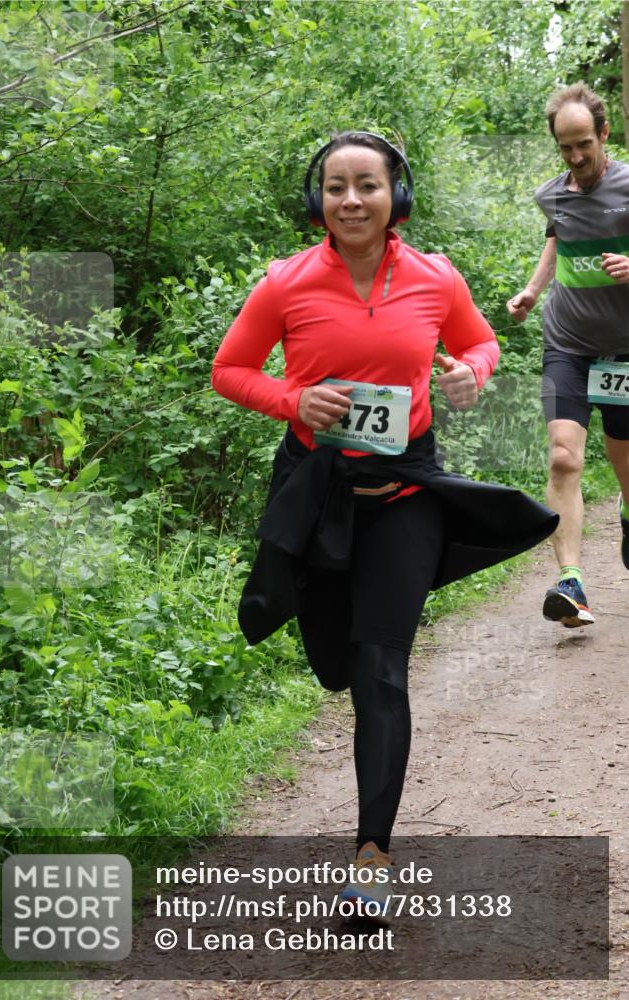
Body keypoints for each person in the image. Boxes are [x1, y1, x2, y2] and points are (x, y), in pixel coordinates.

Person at [212, 131, 557, 922]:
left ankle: (370, 863)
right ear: (318, 200)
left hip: (406, 496)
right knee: (335, 665)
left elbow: (477, 341)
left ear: (394, 195)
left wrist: (472, 373)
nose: (351, 201)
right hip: (318, 496)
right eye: (335, 186)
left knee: (379, 672)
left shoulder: (435, 277)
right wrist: (293, 400)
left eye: (366, 185)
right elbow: (229, 370)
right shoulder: (285, 283)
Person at [507, 82, 629, 628]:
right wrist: (533, 291)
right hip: (568, 343)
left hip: (625, 351)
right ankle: (571, 582)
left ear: (604, 133)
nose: (576, 157)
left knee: (625, 461)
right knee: (563, 456)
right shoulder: (552, 195)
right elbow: (558, 239)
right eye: (565, 147)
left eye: (584, 144)